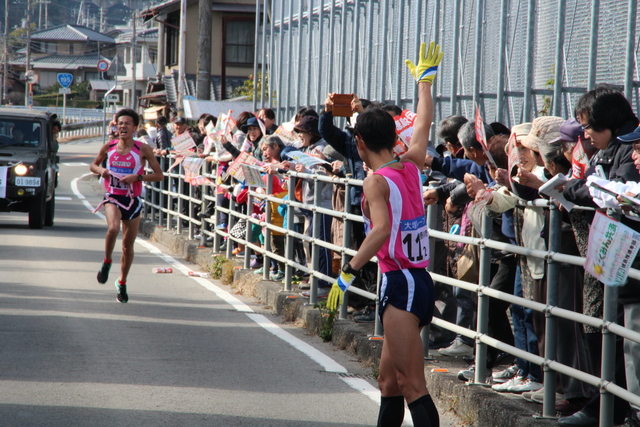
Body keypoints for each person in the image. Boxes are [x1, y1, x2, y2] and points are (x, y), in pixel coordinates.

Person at [326, 41, 443, 427]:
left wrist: (348, 271)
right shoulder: (409, 162)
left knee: (412, 385)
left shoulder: (376, 180)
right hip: (418, 279)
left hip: (401, 281)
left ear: (359, 142)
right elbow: (424, 125)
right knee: (388, 382)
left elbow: (380, 232)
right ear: (394, 137)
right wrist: (424, 83)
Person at [90, 108, 164, 303]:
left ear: (135, 128)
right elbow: (93, 165)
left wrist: (138, 177)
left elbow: (159, 175)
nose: (123, 126)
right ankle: (106, 262)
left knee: (127, 247)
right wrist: (102, 170)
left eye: (127, 124)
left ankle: (122, 282)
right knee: (113, 229)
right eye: (120, 123)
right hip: (113, 197)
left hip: (132, 200)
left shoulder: (143, 149)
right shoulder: (109, 146)